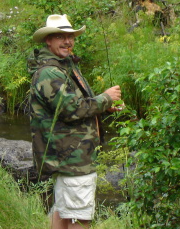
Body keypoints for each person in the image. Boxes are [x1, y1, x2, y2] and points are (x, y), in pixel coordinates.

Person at [27, 14, 121, 229]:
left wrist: (103, 106)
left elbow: (76, 104)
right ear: (47, 41)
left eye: (70, 36)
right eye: (60, 37)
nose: (67, 41)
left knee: (62, 210)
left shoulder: (63, 67)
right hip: (72, 157)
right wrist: (105, 97)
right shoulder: (50, 72)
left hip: (68, 156)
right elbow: (72, 110)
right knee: (80, 217)